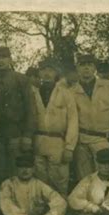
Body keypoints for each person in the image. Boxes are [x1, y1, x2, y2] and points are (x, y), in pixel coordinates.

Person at [0, 154, 69, 215]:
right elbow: (7, 205)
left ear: (33, 169)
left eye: (28, 167)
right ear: (16, 169)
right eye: (22, 167)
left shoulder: (38, 184)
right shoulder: (8, 184)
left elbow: (59, 201)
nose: (25, 171)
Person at [0, 46, 37, 183]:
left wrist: (28, 135)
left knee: (16, 170)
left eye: (4, 57)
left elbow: (31, 108)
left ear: (10, 58)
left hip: (16, 133)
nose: (1, 61)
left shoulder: (21, 80)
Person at [32, 58, 78, 196]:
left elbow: (73, 120)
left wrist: (69, 147)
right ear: (39, 73)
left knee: (59, 178)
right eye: (43, 70)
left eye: (50, 70)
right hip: (38, 140)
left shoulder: (65, 93)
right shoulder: (33, 92)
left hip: (58, 142)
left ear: (56, 72)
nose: (47, 73)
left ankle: (61, 210)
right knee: (40, 178)